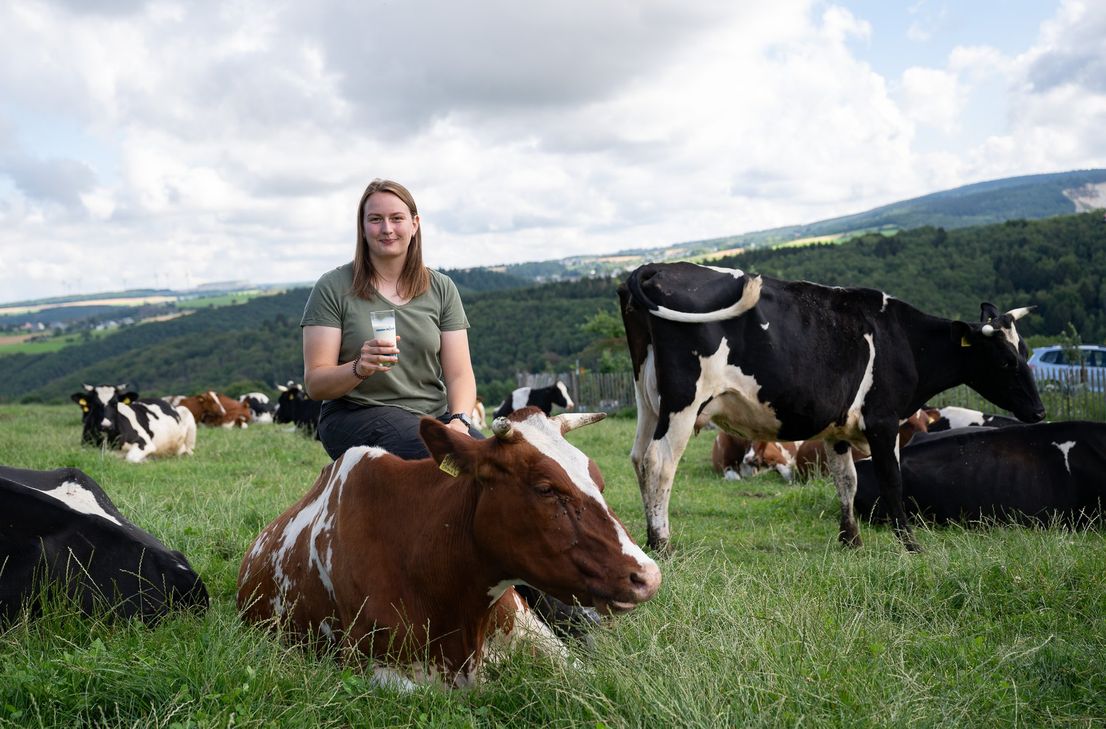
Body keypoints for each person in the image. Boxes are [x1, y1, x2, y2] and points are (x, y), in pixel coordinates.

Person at [301, 178, 482, 461]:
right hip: (355, 413)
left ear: (414, 224)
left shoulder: (441, 288)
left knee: (502, 465)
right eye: (375, 219)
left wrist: (459, 421)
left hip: (433, 416)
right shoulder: (333, 287)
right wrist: (359, 368)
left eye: (396, 218)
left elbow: (460, 373)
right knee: (452, 460)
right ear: (362, 227)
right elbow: (315, 383)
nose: (387, 229)